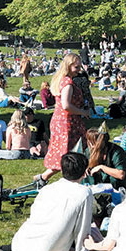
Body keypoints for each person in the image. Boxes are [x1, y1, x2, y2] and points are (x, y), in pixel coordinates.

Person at [11, 153, 95, 251]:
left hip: (20, 247)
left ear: (61, 171)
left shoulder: (47, 189)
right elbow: (82, 232)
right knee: (91, 248)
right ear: (84, 172)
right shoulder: (84, 193)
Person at [37, 54, 89, 183]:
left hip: (61, 121)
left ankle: (42, 178)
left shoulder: (61, 79)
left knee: (64, 153)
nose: (79, 70)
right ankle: (71, 181)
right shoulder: (68, 83)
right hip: (67, 123)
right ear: (68, 65)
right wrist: (82, 111)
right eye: (76, 67)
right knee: (71, 155)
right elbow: (66, 105)